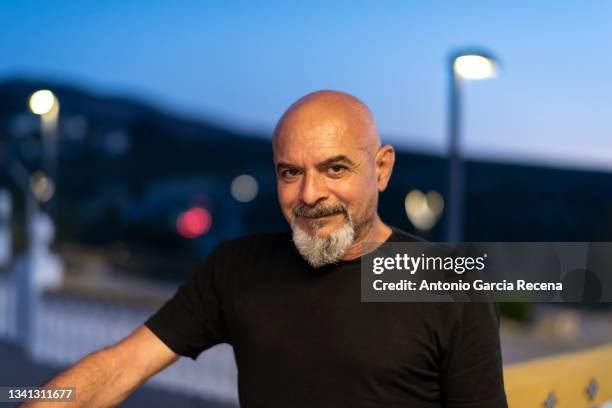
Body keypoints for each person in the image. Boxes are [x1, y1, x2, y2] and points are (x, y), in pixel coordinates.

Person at [25, 90, 507, 407]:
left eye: (335, 169)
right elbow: (119, 366)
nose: (309, 194)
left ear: (381, 169)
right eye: (290, 172)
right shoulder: (238, 267)